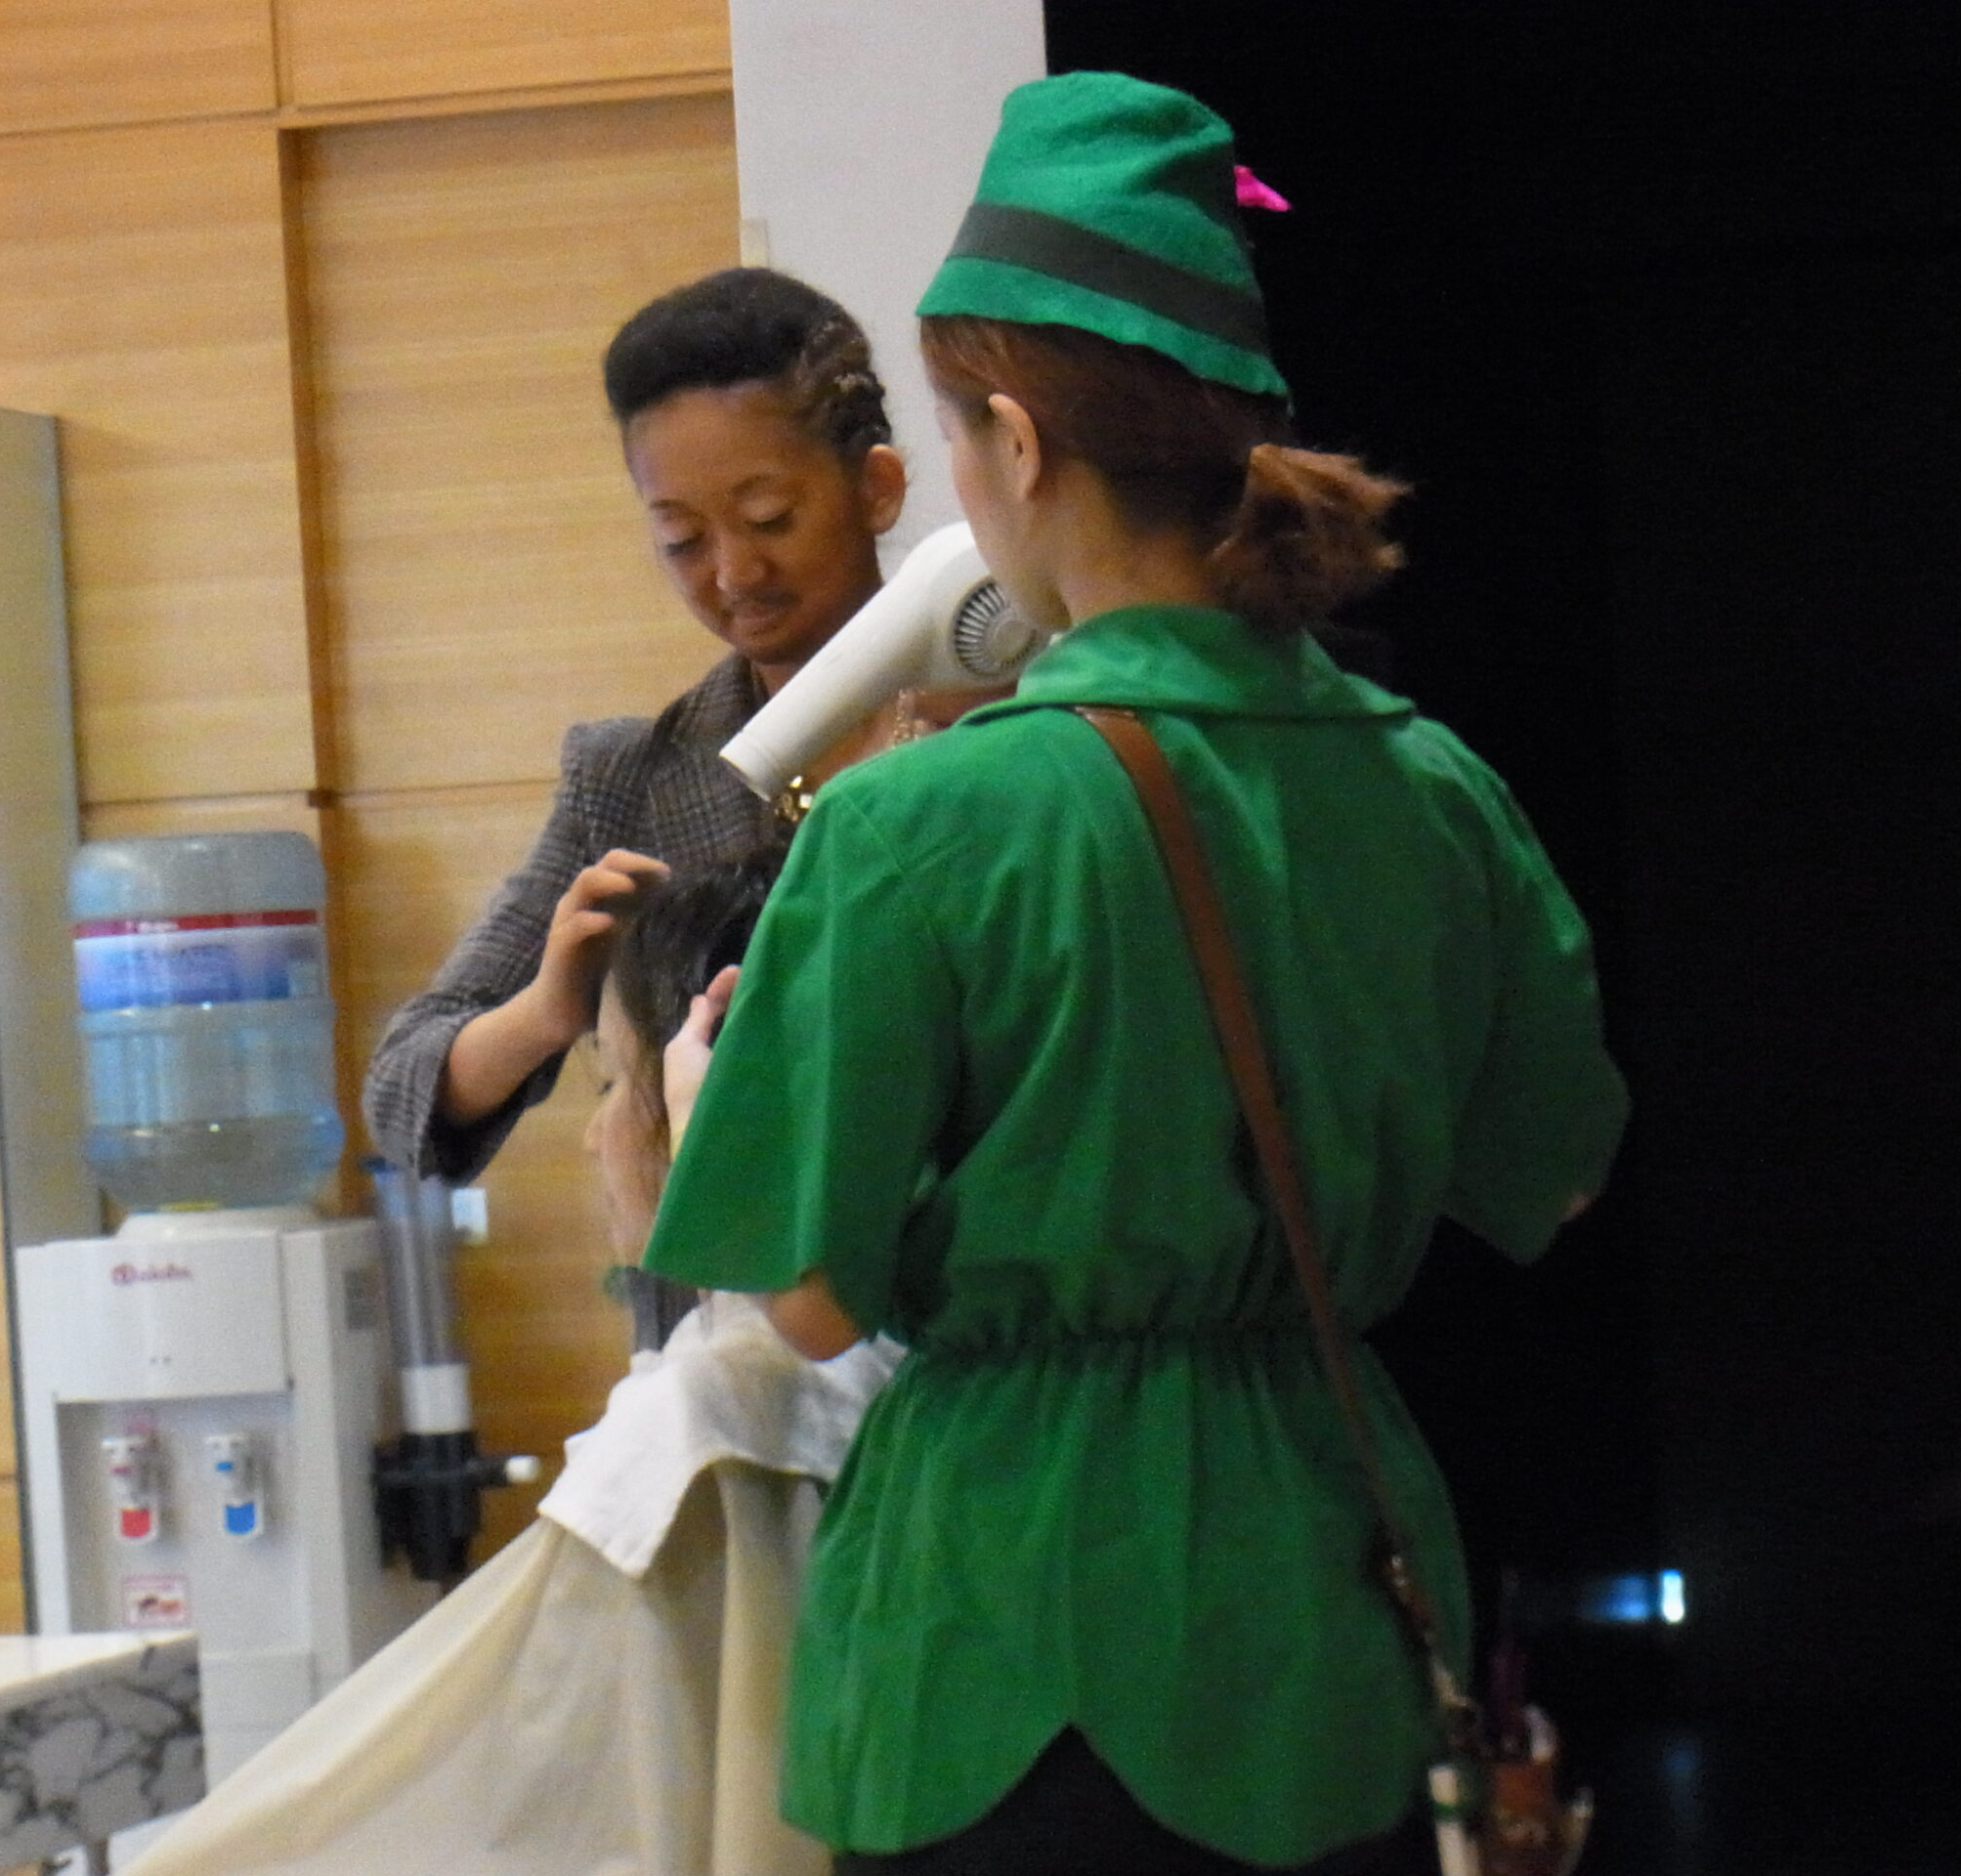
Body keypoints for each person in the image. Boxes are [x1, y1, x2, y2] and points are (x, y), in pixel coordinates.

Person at [643, 71, 1629, 1876]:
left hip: (1004, 1640)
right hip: (1330, 1619)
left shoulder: (921, 825)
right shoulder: (1431, 787)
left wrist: (710, 1093)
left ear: (1015, 445)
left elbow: (809, 1298)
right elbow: (1547, 1181)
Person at [132, 858, 894, 1876]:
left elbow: (484, 1808)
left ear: (715, 1103)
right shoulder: (937, 1375)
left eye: (612, 1084)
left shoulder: (694, 1425)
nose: (593, 1137)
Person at [363, 269, 908, 1181]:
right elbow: (403, 1096)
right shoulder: (633, 778)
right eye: (683, 539)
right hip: (728, 1265)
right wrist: (547, 1009)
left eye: (770, 518)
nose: (733, 572)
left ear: (877, 489)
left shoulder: (1001, 720)